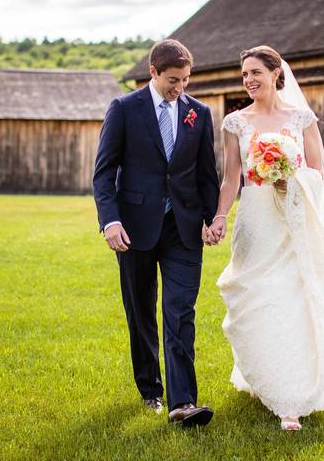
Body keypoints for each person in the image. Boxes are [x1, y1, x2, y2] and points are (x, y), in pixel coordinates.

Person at [206, 45, 324, 431]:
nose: (249, 80)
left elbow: (320, 175)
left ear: (276, 74)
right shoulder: (235, 123)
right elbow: (231, 179)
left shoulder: (301, 118)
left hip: (292, 223)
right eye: (244, 75)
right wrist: (220, 216)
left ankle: (291, 398)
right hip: (255, 224)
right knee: (257, 298)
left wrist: (292, 178)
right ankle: (263, 373)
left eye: (256, 72)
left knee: (290, 299)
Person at [92, 39, 220, 427]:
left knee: (180, 309)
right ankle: (151, 390)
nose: (179, 88)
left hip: (183, 228)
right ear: (153, 73)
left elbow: (206, 174)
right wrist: (109, 220)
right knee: (141, 312)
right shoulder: (124, 109)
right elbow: (103, 171)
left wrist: (212, 217)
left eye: (184, 80)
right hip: (132, 228)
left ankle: (183, 402)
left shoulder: (199, 113)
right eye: (172, 80)